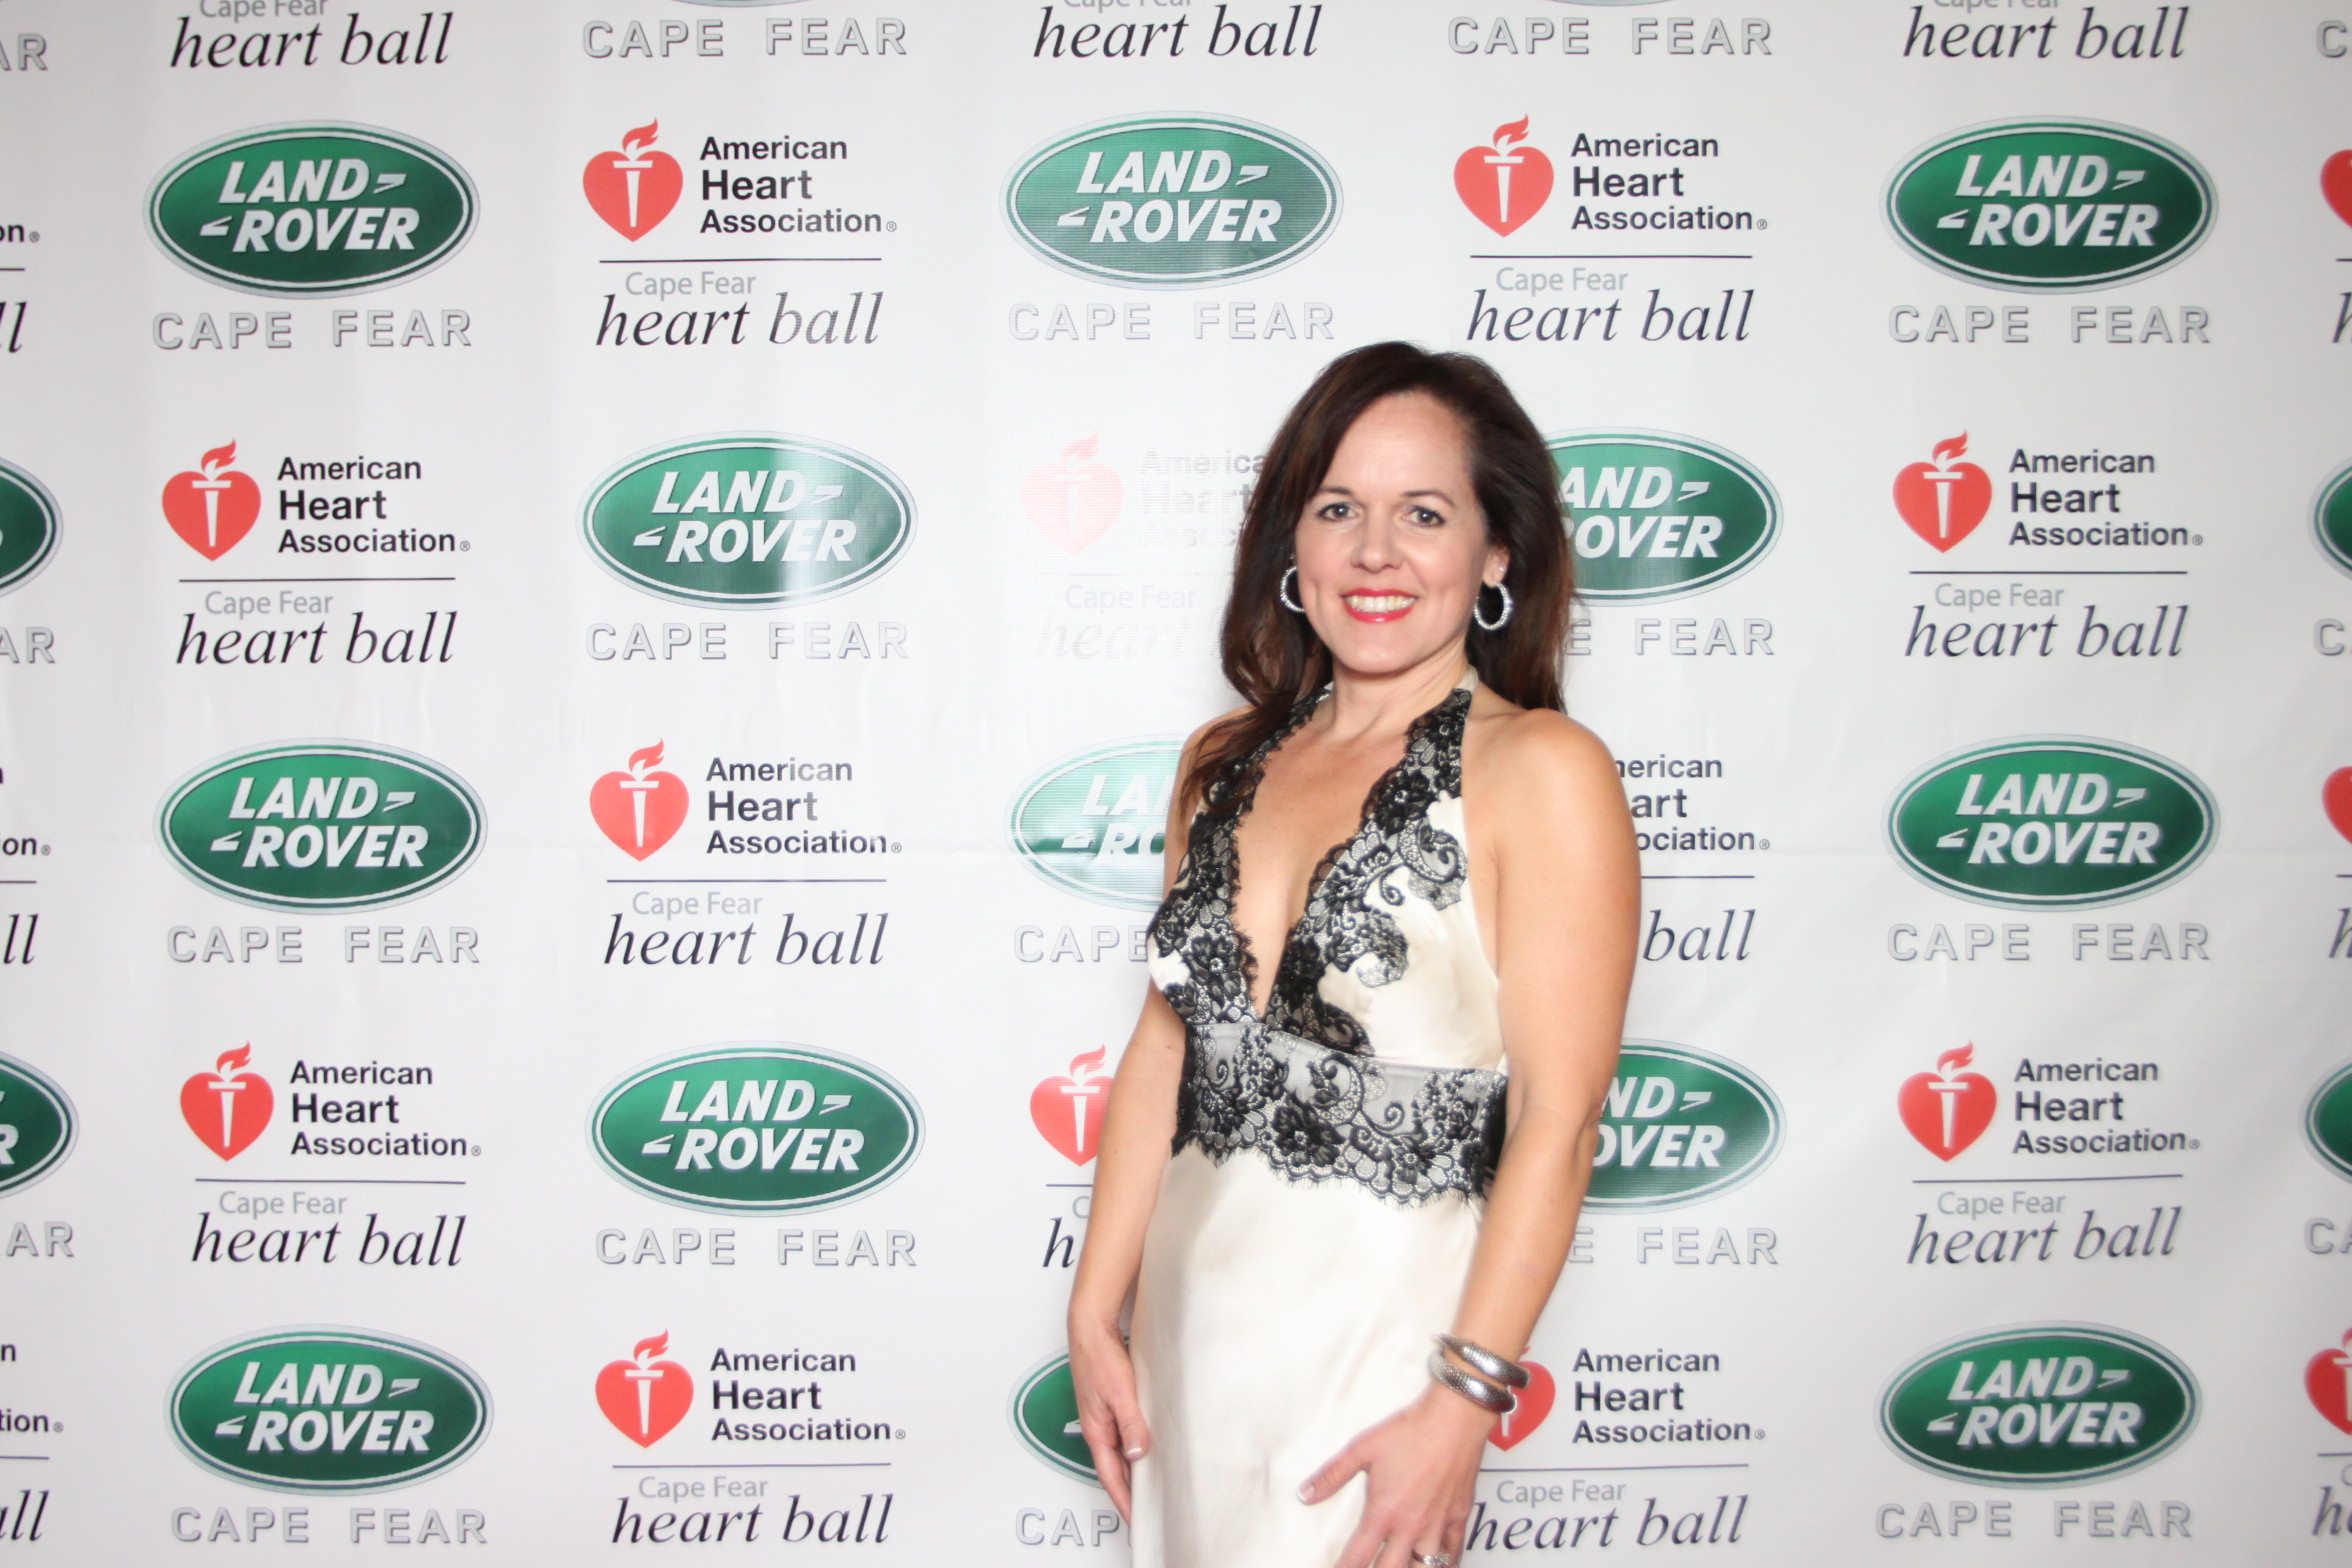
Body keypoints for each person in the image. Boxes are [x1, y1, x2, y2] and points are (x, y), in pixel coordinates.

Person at [1065, 341, 1639, 1568]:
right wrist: (1092, 1307)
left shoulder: (1544, 771)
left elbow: (1561, 1115)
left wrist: (1464, 1402)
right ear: (1294, 542)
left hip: (1380, 1366)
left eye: (1423, 513)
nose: (1376, 551)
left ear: (1496, 552)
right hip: (1189, 1349)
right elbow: (1166, 1046)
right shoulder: (1221, 761)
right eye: (1339, 509)